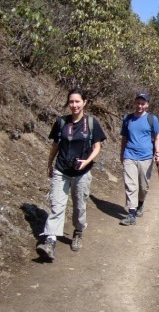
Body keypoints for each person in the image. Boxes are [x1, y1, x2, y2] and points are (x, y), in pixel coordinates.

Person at [36, 88, 107, 260]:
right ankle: (50, 241)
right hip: (61, 170)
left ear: (84, 102)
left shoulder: (91, 123)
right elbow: (55, 145)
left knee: (79, 205)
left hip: (82, 172)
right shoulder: (61, 122)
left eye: (77, 101)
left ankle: (78, 231)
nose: (74, 105)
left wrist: (87, 161)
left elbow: (97, 147)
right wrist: (49, 164)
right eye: (71, 102)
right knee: (57, 205)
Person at [119, 92, 159, 226]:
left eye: (143, 103)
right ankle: (131, 213)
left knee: (143, 186)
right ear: (134, 103)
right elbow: (124, 138)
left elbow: (157, 138)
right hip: (129, 155)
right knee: (131, 184)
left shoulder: (152, 119)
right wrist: (122, 154)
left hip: (146, 157)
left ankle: (140, 203)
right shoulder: (127, 119)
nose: (140, 106)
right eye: (138, 102)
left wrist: (157, 153)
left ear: (147, 105)